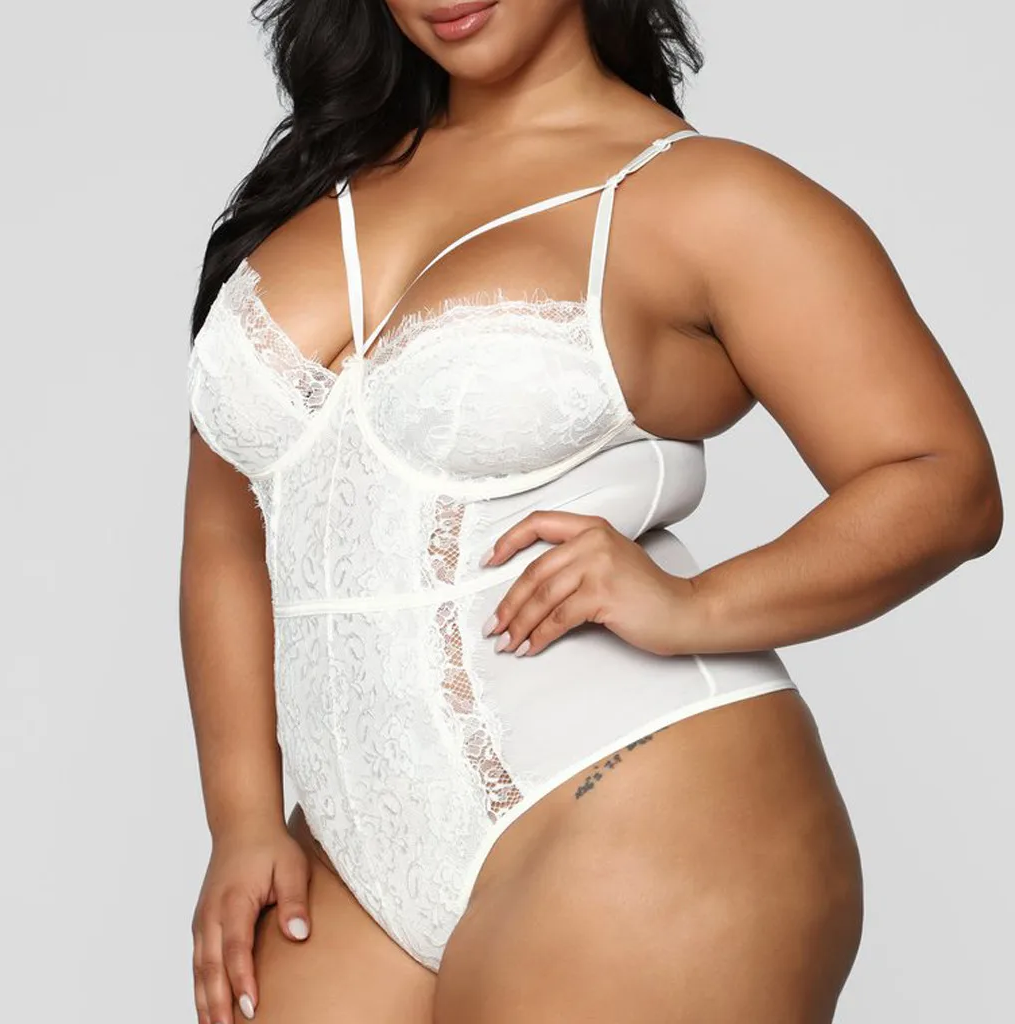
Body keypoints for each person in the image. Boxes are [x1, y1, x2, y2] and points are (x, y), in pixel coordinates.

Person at [179, 1, 1003, 1022]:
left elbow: (943, 479)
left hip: (634, 803)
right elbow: (225, 534)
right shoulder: (310, 195)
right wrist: (242, 817)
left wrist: (698, 604)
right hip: (350, 856)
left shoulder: (702, 197)